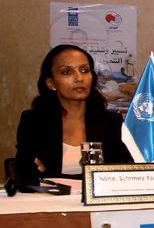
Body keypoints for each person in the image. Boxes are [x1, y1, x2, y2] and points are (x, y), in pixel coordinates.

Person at [15, 44, 133, 184]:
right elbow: (25, 172)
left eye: (84, 70)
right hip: (49, 196)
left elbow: (124, 172)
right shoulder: (33, 121)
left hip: (98, 195)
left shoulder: (110, 122)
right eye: (66, 72)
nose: (79, 78)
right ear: (51, 83)